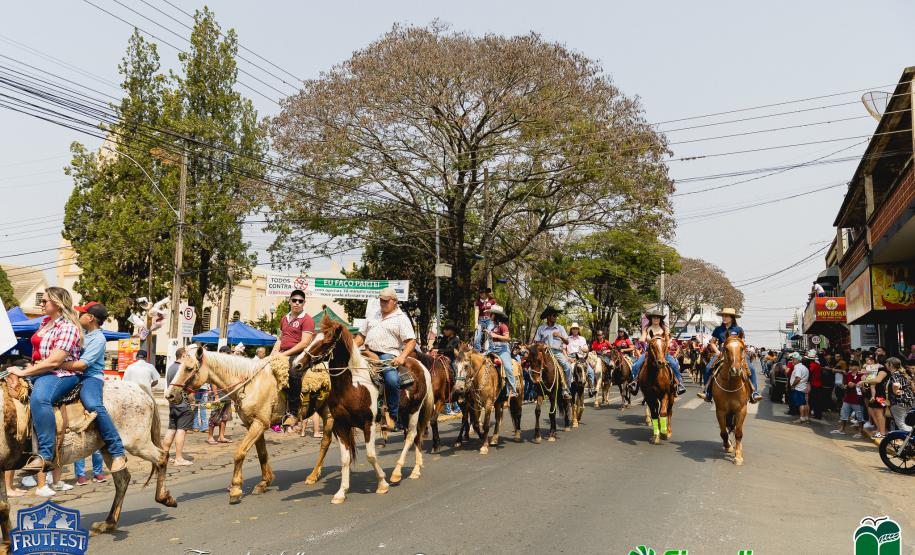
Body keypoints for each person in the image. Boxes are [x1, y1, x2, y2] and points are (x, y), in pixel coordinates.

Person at [9, 287, 83, 475]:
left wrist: (24, 372)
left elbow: (55, 361)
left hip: (58, 374)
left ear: (57, 304)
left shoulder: (68, 327)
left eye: (45, 301)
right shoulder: (44, 323)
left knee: (40, 399)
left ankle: (45, 455)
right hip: (38, 370)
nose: (41, 304)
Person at [60, 301, 126, 476]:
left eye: (81, 313)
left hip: (90, 377)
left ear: (90, 318)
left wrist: (56, 363)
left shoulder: (98, 338)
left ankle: (117, 450)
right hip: (72, 375)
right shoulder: (82, 333)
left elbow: (82, 364)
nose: (78, 316)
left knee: (93, 404)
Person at [354, 287, 416, 430]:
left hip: (388, 355)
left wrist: (402, 356)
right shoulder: (372, 315)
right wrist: (351, 346)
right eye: (381, 300)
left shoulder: (401, 318)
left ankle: (394, 416)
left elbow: (411, 341)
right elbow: (361, 337)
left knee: (392, 380)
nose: (382, 303)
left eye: (386, 301)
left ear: (394, 301)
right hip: (367, 352)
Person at [270, 289, 316, 430]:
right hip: (283, 352)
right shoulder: (284, 318)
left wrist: (284, 355)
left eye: (300, 301)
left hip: (300, 354)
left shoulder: (307, 319)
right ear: (289, 301)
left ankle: (293, 412)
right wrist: (274, 352)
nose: (297, 303)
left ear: (304, 303)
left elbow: (304, 343)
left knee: (293, 372)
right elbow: (280, 339)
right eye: (294, 300)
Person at [697, 308, 761, 403]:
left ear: (732, 318)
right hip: (722, 353)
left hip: (737, 353)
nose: (724, 317)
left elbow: (742, 343)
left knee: (751, 368)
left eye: (726, 316)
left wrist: (741, 353)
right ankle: (707, 392)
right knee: (707, 368)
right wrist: (717, 351)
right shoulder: (718, 329)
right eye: (723, 316)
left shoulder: (738, 329)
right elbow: (712, 342)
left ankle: (754, 393)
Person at [629, 310, 686, 396]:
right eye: (654, 317)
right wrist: (642, 339)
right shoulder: (647, 328)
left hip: (662, 352)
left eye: (657, 317)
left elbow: (667, 341)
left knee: (674, 364)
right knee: (636, 365)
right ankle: (634, 383)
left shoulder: (664, 329)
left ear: (660, 319)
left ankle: (679, 384)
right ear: (651, 319)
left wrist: (666, 346)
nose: (655, 319)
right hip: (650, 352)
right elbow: (642, 338)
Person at [532, 306, 572, 400]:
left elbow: (567, 342)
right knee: (533, 367)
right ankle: (536, 388)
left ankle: (566, 389)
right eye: (554, 315)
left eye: (556, 315)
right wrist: (543, 345)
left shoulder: (560, 328)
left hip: (557, 352)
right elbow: (536, 342)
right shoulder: (541, 328)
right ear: (548, 317)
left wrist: (560, 336)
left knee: (567, 366)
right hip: (544, 352)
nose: (556, 317)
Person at [163, 347, 194, 466]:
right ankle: (178, 458)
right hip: (183, 404)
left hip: (173, 404)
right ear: (183, 355)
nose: (189, 358)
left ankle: (164, 456)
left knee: (171, 429)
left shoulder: (171, 368)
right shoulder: (183, 369)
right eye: (187, 355)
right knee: (181, 430)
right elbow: (189, 389)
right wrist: (192, 403)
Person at [488, 306, 517, 398]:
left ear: (496, 315)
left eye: (491, 314)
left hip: (502, 350)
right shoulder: (492, 326)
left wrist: (494, 335)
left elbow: (507, 338)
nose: (490, 315)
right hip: (492, 350)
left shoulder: (503, 326)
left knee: (508, 368)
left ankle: (513, 390)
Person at [433, 321, 462, 415]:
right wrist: (436, 346)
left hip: (452, 360)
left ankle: (459, 385)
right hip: (442, 358)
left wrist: (440, 350)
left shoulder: (456, 339)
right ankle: (452, 405)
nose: (445, 331)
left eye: (447, 329)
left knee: (455, 374)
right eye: (445, 329)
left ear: (452, 331)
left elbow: (450, 350)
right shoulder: (444, 338)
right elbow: (439, 346)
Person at [831, 360, 865, 437]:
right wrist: (845, 386)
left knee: (859, 416)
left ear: (857, 367)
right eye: (850, 366)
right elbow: (846, 384)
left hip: (857, 398)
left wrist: (856, 384)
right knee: (844, 413)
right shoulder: (849, 374)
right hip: (848, 397)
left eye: (852, 366)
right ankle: (842, 429)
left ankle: (860, 432)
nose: (850, 367)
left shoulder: (862, 375)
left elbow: (864, 387)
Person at [860, 356, 888, 439]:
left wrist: (864, 381)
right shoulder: (874, 370)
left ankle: (882, 433)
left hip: (881, 395)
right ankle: (879, 430)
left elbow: (878, 380)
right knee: (875, 412)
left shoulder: (883, 370)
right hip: (875, 394)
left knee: (880, 413)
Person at [564, 323, 594, 396]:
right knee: (568, 370)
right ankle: (567, 389)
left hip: (581, 357)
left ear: (578, 330)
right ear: (571, 330)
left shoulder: (582, 338)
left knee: (590, 371)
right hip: (571, 357)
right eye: (573, 328)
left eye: (576, 328)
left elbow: (586, 349)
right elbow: (564, 349)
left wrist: (584, 349)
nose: (575, 330)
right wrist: (568, 358)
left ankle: (591, 388)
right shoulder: (567, 338)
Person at [887, 357, 914, 433]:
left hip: (898, 401)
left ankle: (911, 437)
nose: (885, 365)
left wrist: (895, 391)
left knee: (901, 424)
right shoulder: (902, 373)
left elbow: (896, 384)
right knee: (905, 422)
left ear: (891, 365)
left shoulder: (895, 375)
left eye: (887, 363)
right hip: (907, 400)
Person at [788, 352, 810, 424]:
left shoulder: (798, 367)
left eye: (794, 359)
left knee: (801, 404)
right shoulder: (804, 367)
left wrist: (793, 385)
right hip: (804, 387)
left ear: (798, 360)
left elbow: (798, 378)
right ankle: (806, 417)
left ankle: (801, 418)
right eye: (792, 359)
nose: (792, 361)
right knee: (805, 403)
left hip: (799, 388)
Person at [473, 287, 496, 352]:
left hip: (489, 320)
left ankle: (491, 350)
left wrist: (492, 319)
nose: (481, 294)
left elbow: (495, 311)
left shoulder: (492, 301)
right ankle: (478, 352)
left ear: (486, 293)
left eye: (482, 293)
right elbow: (476, 311)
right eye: (480, 293)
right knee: (477, 338)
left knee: (490, 333)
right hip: (480, 320)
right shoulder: (478, 302)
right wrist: (476, 323)